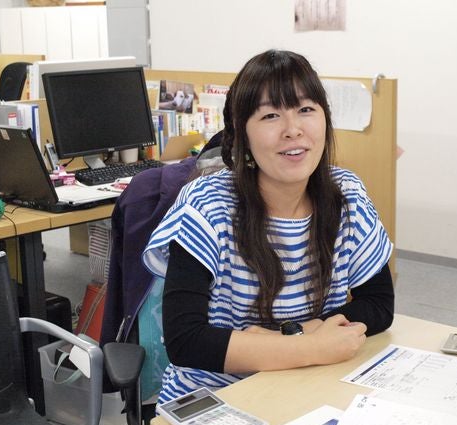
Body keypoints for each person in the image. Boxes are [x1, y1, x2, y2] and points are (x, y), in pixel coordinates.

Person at [142, 49, 394, 405]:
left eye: (306, 110)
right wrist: (311, 347)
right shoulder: (207, 206)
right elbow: (187, 341)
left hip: (308, 384)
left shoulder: (347, 195)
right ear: (241, 133)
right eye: (271, 115)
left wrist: (296, 334)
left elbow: (379, 304)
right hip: (216, 397)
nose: (293, 130)